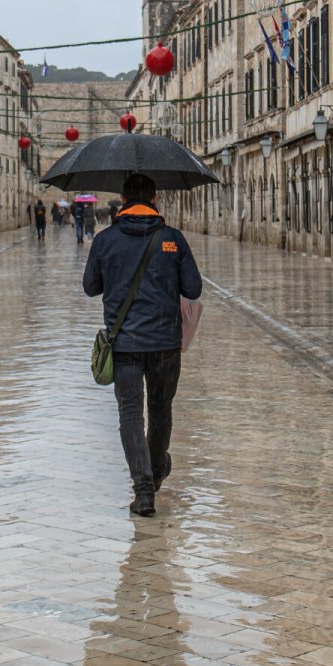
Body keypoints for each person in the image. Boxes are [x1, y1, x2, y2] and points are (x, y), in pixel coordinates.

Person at [82, 173, 202, 517]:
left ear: (122, 198)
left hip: (125, 343)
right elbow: (192, 289)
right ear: (154, 198)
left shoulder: (105, 241)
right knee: (161, 409)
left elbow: (91, 287)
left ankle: (143, 490)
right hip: (165, 342)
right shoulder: (172, 239)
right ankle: (158, 468)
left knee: (131, 415)